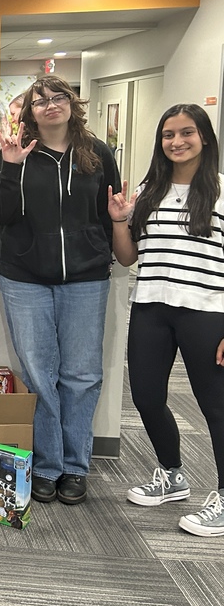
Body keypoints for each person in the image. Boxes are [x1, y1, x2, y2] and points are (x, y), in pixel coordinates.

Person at [0, 75, 120, 506]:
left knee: (82, 375)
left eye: (58, 97)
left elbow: (110, 210)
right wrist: (10, 166)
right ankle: (47, 464)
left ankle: (76, 466)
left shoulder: (96, 153)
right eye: (40, 100)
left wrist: (101, 249)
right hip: (25, 277)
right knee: (39, 374)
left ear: (71, 103)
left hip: (86, 278)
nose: (50, 105)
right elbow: (0, 213)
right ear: (30, 112)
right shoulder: (15, 152)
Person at [109, 103, 224, 537]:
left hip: (207, 310)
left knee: (215, 406)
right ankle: (173, 475)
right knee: (146, 397)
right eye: (168, 134)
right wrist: (119, 221)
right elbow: (127, 258)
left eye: (187, 132)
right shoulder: (149, 190)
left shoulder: (221, 191)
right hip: (151, 306)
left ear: (204, 137)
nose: (177, 142)